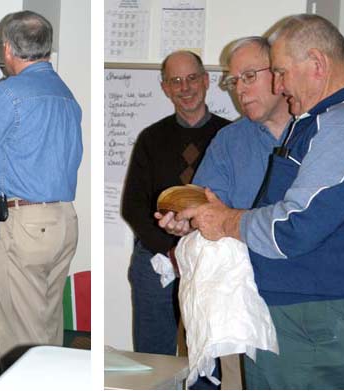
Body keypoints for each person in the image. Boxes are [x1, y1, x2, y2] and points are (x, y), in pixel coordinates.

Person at [159, 16, 344, 389]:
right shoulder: (312, 125)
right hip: (290, 312)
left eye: (279, 72)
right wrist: (197, 217)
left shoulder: (341, 127)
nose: (279, 84)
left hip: (309, 317)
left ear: (317, 64)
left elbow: (292, 228)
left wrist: (227, 221)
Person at [0, 11, 82, 366]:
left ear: (7, 48)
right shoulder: (64, 93)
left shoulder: (9, 93)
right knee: (46, 328)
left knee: (21, 339)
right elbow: (34, 160)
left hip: (25, 225)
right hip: (63, 220)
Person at [121, 50, 231, 389]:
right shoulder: (151, 138)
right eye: (176, 81)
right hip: (156, 262)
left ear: (206, 80)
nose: (185, 88)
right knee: (153, 361)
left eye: (192, 78)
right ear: (165, 87)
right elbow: (132, 206)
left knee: (206, 357)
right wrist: (171, 251)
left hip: (210, 261)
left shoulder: (231, 137)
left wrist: (194, 251)